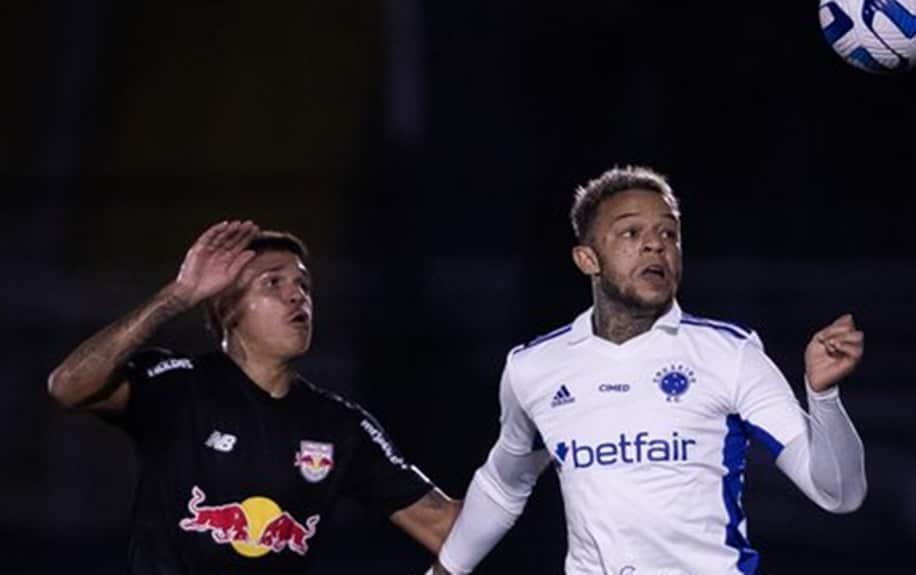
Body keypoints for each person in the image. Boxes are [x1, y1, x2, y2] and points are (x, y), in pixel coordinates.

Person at [433, 167, 868, 575]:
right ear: (587, 259)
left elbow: (839, 494)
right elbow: (504, 485)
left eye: (669, 233)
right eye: (630, 232)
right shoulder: (534, 368)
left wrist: (823, 397)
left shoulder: (729, 354)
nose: (656, 244)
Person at [47, 220, 458, 574]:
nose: (298, 295)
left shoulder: (340, 426)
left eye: (303, 284)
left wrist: (516, 442)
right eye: (273, 283)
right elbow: (68, 386)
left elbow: (445, 528)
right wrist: (178, 295)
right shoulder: (176, 386)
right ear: (228, 311)